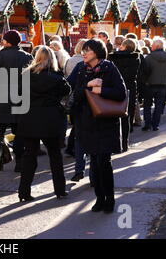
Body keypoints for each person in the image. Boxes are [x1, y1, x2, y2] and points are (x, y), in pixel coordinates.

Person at [68, 39, 127, 213]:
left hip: (105, 122)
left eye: (87, 50)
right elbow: (72, 91)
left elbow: (121, 93)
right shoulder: (80, 68)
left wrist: (102, 90)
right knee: (94, 160)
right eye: (83, 50)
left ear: (97, 52)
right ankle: (99, 197)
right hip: (86, 122)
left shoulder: (109, 68)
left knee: (104, 161)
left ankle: (109, 198)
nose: (84, 53)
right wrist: (87, 85)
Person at [17, 46, 70, 201]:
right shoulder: (57, 77)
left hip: (30, 118)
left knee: (29, 156)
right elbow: (67, 90)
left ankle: (24, 192)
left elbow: (19, 94)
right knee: (55, 156)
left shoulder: (26, 75)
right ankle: (60, 190)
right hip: (50, 119)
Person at [0, 30, 32, 172]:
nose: (2, 41)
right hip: (21, 98)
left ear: (8, 42)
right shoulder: (27, 57)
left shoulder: (0, 56)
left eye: (4, 39)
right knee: (20, 133)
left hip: (2, 99)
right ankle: (19, 162)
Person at [109, 39, 140, 152]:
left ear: (124, 46)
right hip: (130, 87)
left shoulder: (113, 57)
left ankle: (116, 143)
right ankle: (125, 143)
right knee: (126, 117)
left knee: (114, 115)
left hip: (116, 87)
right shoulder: (136, 58)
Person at [142, 38, 166, 131]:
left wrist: (146, 81)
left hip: (150, 84)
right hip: (162, 85)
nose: (151, 46)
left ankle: (147, 124)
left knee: (147, 105)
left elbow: (144, 72)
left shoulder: (148, 57)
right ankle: (155, 124)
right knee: (158, 105)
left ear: (156, 46)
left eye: (152, 45)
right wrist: (165, 79)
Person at [63, 38, 87, 158]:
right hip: (82, 95)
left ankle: (71, 147)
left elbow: (67, 78)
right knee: (81, 125)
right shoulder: (84, 63)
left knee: (75, 124)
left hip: (71, 95)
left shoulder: (69, 60)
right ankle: (77, 148)